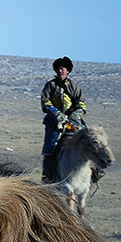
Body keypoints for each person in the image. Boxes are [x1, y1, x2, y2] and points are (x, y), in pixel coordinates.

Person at [40, 55, 86, 183]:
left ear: (68, 71)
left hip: (73, 122)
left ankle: (95, 171)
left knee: (88, 140)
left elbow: (81, 104)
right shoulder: (50, 85)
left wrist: (75, 115)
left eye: (63, 69)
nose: (60, 71)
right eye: (59, 69)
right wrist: (57, 114)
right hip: (54, 123)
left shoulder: (74, 86)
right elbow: (45, 102)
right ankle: (47, 175)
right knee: (50, 148)